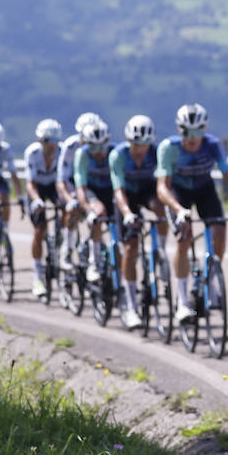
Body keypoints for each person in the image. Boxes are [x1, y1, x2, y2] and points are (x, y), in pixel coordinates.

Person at [156, 104, 228, 323]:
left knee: (220, 233)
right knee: (183, 237)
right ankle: (182, 302)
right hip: (178, 193)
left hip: (204, 189)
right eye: (188, 132)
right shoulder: (169, 147)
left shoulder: (213, 145)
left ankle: (211, 280)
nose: (193, 138)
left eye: (198, 131)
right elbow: (162, 188)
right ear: (179, 130)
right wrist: (179, 210)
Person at [110, 115, 165, 329]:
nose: (140, 148)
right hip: (126, 197)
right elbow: (118, 191)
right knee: (131, 247)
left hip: (148, 191)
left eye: (144, 143)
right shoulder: (118, 155)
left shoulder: (156, 152)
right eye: (136, 143)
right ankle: (131, 306)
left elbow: (163, 183)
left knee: (161, 208)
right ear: (128, 141)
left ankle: (159, 249)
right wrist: (127, 214)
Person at [24, 119, 65, 298]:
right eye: (48, 141)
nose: (52, 145)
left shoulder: (62, 152)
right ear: (40, 141)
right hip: (37, 189)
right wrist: (37, 200)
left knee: (66, 210)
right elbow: (30, 183)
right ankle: (37, 275)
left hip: (55, 187)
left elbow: (65, 181)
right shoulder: (32, 153)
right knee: (39, 229)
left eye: (55, 141)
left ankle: (61, 240)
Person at [73, 120, 117, 284]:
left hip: (111, 190)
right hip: (91, 191)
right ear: (85, 143)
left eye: (102, 146)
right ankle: (94, 262)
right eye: (93, 146)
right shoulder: (82, 155)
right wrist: (89, 210)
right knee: (98, 213)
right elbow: (81, 190)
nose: (98, 151)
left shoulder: (114, 152)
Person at [58, 112, 102, 269]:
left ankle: (94, 251)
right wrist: (70, 200)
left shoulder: (100, 144)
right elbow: (62, 180)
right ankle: (67, 250)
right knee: (74, 209)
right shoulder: (70, 147)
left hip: (91, 187)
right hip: (72, 186)